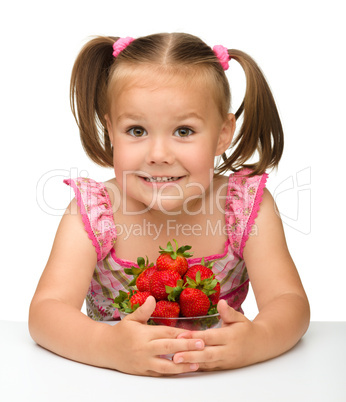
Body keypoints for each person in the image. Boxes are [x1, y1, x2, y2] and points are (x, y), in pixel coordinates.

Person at [29, 33, 310, 376]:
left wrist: (258, 339)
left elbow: (289, 302)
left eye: (183, 131)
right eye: (136, 130)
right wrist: (106, 346)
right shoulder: (92, 212)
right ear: (110, 130)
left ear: (223, 132)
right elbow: (46, 312)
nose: (159, 155)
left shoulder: (244, 208)